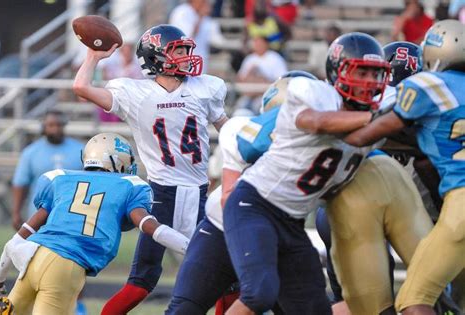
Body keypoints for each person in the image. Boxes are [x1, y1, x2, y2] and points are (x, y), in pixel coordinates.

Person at [222, 32, 393, 315]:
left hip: (292, 221)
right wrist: (377, 118)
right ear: (338, 71)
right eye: (362, 72)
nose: (369, 83)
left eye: (376, 75)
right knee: (259, 293)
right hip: (255, 206)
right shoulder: (314, 96)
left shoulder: (375, 121)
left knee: (315, 309)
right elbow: (317, 121)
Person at [73, 24, 228, 314]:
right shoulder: (134, 92)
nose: (186, 56)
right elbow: (81, 87)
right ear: (157, 57)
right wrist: (93, 56)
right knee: (142, 280)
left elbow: (228, 132)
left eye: (186, 50)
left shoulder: (206, 88)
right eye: (178, 51)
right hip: (161, 195)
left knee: (225, 276)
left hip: (200, 194)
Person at [165, 71, 317, 315]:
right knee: (185, 309)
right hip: (221, 229)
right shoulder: (245, 133)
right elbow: (229, 192)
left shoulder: (326, 147)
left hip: (280, 237)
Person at [341, 20, 465, 315]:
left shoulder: (429, 86)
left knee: (413, 299)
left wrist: (335, 134)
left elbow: (374, 129)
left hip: (458, 204)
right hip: (440, 208)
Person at [0, 133, 190, 315]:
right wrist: (190, 246)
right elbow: (148, 225)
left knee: (7, 312)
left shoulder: (62, 179)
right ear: (116, 160)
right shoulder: (128, 184)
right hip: (66, 265)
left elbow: (14, 242)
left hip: (33, 255)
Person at [11, 110, 83, 231]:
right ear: (43, 127)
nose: (55, 129)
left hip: (73, 214)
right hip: (38, 215)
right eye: (51, 125)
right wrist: (16, 212)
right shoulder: (31, 152)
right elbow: (20, 183)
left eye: (59, 125)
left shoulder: (81, 149)